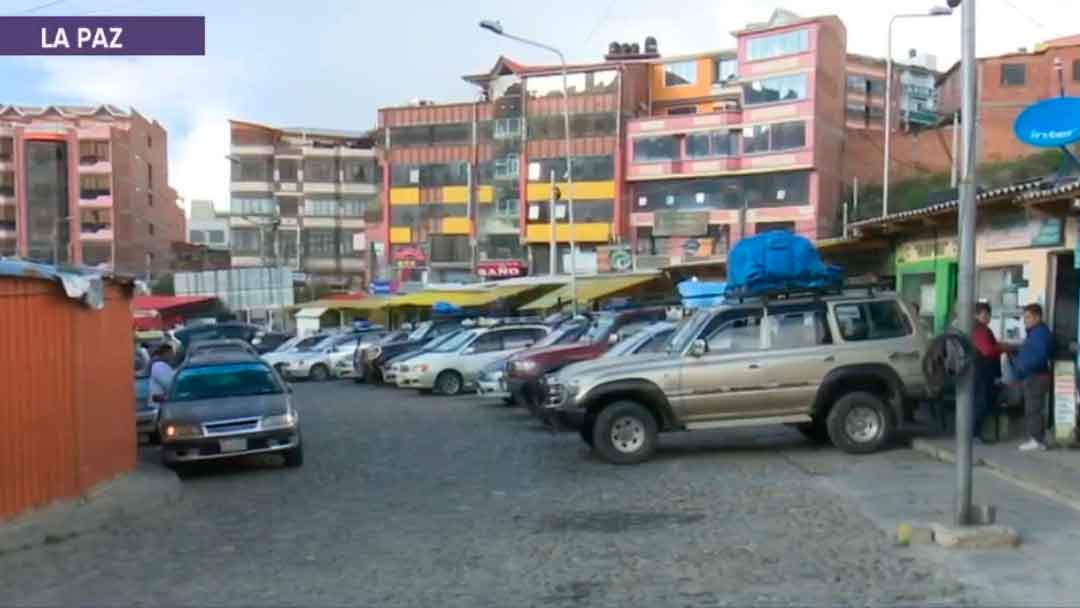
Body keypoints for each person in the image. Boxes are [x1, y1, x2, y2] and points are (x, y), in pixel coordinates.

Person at [1010, 303, 1054, 451]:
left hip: (1035, 376)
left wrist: (1023, 367)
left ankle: (1036, 440)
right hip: (1033, 376)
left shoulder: (1040, 333)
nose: (1025, 320)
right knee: (1032, 408)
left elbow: (1039, 356)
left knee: (1033, 409)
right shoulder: (1035, 333)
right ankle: (1036, 439)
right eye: (1024, 317)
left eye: (1028, 317)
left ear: (1037, 317)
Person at [971, 303, 1005, 442]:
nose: (987, 317)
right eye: (984, 314)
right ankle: (974, 434)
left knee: (980, 402)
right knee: (981, 403)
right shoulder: (980, 330)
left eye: (988, 314)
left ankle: (975, 433)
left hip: (981, 371)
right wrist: (1002, 348)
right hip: (981, 371)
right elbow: (986, 350)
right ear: (976, 315)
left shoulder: (982, 329)